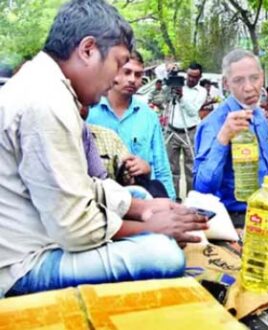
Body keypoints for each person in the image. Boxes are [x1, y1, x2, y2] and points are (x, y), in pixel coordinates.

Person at [0, 0, 208, 297]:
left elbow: (79, 186)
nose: (116, 77)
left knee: (137, 195)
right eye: (118, 63)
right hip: (24, 264)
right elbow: (74, 228)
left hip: (46, 229)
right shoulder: (46, 102)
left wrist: (144, 207)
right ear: (87, 50)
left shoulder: (46, 86)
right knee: (163, 254)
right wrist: (151, 228)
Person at [193, 49, 268, 213]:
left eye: (254, 78)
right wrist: (223, 138)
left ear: (262, 76)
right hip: (232, 220)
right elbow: (202, 186)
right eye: (238, 80)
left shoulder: (259, 116)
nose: (249, 87)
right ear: (225, 83)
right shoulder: (214, 123)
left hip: (265, 212)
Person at [87, 50, 176, 199]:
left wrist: (170, 204)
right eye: (126, 72)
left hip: (142, 201)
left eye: (138, 75)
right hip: (100, 204)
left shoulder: (149, 116)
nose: (132, 79)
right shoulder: (89, 112)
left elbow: (161, 169)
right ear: (112, 72)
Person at [167, 62, 206, 199]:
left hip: (190, 131)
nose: (191, 79)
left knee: (191, 168)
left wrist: (182, 97)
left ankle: (191, 199)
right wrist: (170, 77)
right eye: (189, 76)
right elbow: (165, 100)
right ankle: (173, 198)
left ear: (199, 77)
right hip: (172, 130)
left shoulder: (201, 91)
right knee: (172, 169)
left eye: (194, 77)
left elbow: (193, 111)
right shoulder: (177, 84)